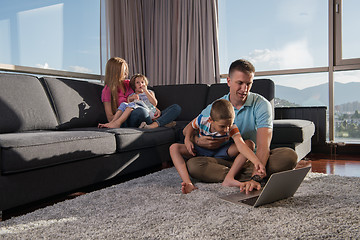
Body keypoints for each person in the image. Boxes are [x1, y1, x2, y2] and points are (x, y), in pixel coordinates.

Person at [183, 59, 298, 194]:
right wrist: (197, 140)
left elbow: (262, 147)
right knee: (194, 166)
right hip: (223, 161)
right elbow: (187, 129)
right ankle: (242, 175)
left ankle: (241, 176)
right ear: (229, 81)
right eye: (240, 83)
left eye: (248, 84)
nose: (244, 89)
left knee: (288, 156)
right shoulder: (217, 106)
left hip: (252, 160)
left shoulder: (261, 104)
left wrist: (256, 177)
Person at [170, 99, 266, 194]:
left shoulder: (231, 127)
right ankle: (188, 183)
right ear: (211, 120)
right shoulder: (202, 120)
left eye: (229, 125)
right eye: (222, 126)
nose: (227, 129)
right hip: (200, 150)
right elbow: (191, 126)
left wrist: (257, 162)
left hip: (222, 151)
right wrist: (187, 140)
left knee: (249, 144)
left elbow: (240, 144)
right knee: (174, 148)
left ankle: (229, 178)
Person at [101, 57, 181, 128]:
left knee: (176, 108)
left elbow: (145, 97)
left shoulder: (129, 83)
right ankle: (160, 123)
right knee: (141, 111)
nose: (126, 74)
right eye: (123, 71)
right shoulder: (107, 90)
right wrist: (126, 110)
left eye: (126, 71)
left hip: (148, 112)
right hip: (128, 118)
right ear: (115, 72)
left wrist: (157, 110)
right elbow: (110, 118)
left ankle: (153, 125)